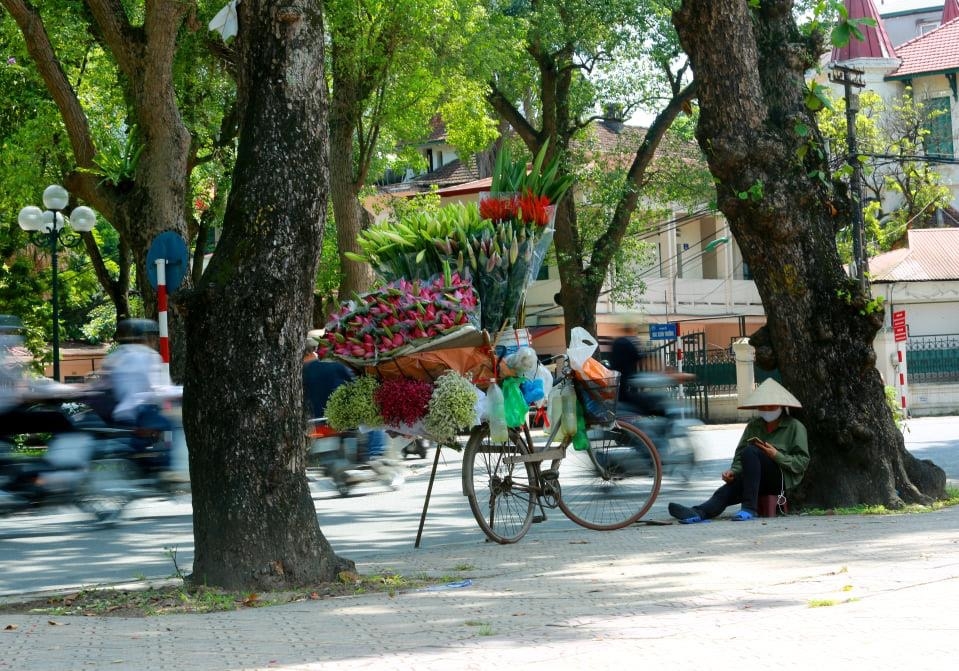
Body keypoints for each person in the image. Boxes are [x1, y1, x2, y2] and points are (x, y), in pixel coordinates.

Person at [667, 378, 809, 523]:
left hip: (780, 480)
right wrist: (733, 472)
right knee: (728, 489)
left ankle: (749, 509)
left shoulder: (795, 427)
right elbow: (740, 456)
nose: (766, 410)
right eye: (763, 407)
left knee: (750, 451)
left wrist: (776, 455)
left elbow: (802, 462)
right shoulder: (754, 426)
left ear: (781, 406)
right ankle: (698, 512)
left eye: (771, 407)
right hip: (753, 479)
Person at [96, 318, 174, 471]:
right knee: (176, 424)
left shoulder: (114, 357)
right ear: (146, 337)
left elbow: (102, 385)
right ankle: (175, 471)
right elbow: (158, 388)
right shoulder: (149, 356)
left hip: (120, 416)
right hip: (143, 413)